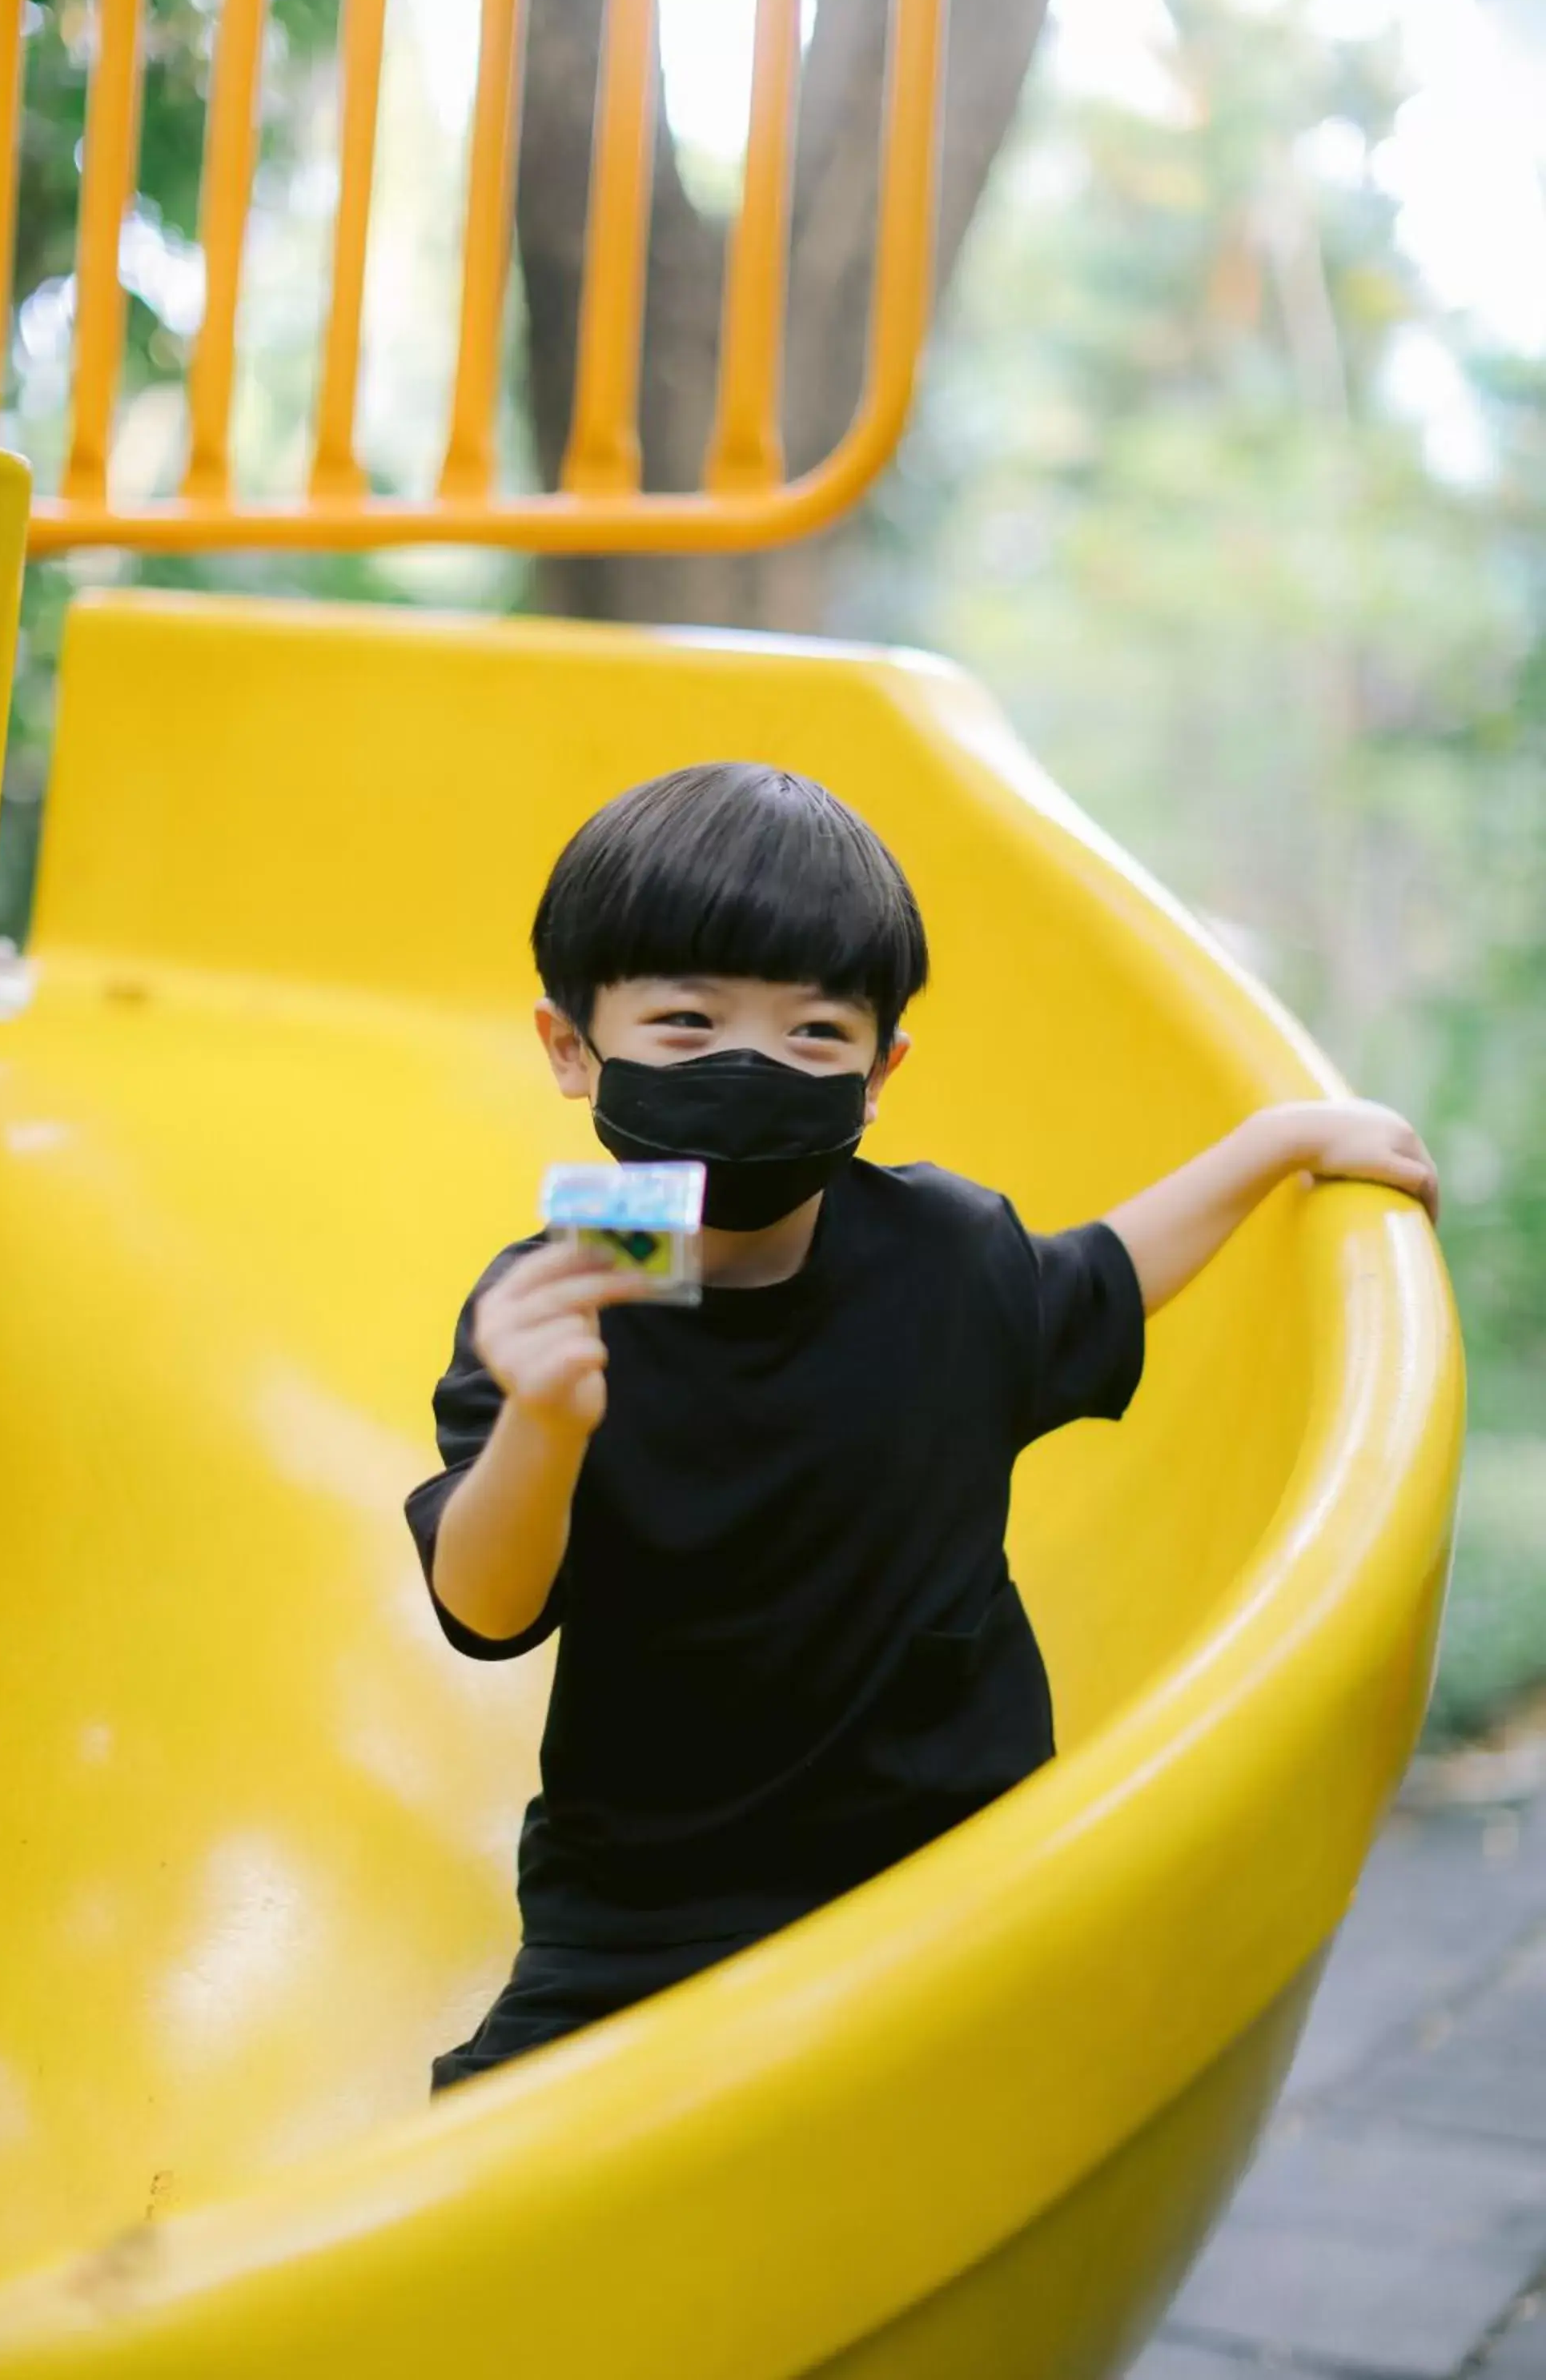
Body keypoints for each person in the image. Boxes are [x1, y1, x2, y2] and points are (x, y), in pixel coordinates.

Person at [406, 761, 1440, 2093]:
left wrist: (1278, 1143)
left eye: (814, 1036)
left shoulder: (941, 1252)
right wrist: (544, 1423)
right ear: (571, 1048)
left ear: (881, 1070)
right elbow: (488, 1605)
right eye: (683, 1021)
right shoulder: (561, 1291)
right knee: (497, 2152)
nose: (752, 1066)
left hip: (958, 1865)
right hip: (652, 1904)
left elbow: (1103, 1278)